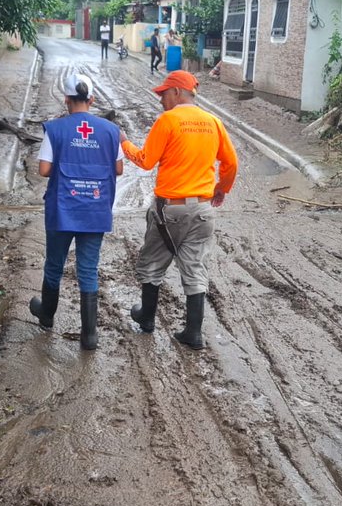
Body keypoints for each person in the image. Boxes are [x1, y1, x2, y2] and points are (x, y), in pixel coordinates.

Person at [120, 70, 237, 349]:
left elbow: (146, 161)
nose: (161, 100)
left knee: (151, 264)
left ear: (176, 92)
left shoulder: (168, 120)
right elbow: (231, 164)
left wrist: (124, 142)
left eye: (163, 94)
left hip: (169, 210)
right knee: (194, 267)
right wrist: (221, 189)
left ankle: (147, 319)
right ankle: (193, 333)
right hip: (203, 210)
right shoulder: (213, 122)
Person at [29, 74, 123, 350]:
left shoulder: (55, 129)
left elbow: (44, 169)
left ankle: (46, 316)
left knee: (55, 265)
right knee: (88, 269)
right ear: (92, 100)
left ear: (67, 100)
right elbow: (118, 169)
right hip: (95, 210)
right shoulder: (109, 130)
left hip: (62, 209)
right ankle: (90, 336)